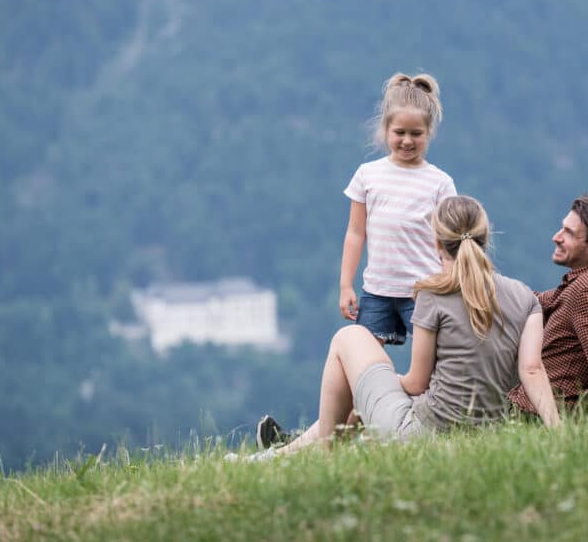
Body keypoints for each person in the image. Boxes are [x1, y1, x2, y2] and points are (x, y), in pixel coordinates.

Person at [238, 195, 560, 460]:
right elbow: (531, 370)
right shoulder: (525, 298)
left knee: (349, 337)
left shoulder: (434, 293)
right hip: (486, 437)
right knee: (367, 396)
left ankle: (319, 457)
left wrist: (379, 385)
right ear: (485, 238)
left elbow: (417, 383)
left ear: (436, 242)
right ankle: (279, 456)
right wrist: (557, 432)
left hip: (420, 436)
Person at [339, 72, 457, 346]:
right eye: (399, 133)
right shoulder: (367, 175)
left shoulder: (440, 183)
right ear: (385, 130)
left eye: (416, 134)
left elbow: (449, 244)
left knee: (433, 362)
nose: (407, 141)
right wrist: (346, 286)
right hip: (376, 291)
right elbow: (355, 234)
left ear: (429, 133)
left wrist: (451, 285)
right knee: (365, 359)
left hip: (424, 292)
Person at [507, 193, 588, 423]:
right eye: (562, 228)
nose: (556, 237)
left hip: (544, 421)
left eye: (569, 233)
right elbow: (541, 301)